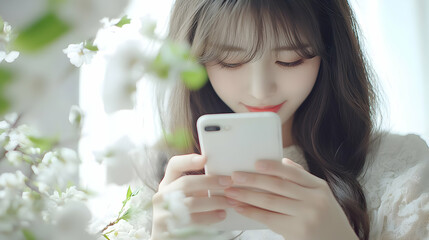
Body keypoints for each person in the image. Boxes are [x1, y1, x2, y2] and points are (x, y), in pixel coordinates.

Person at [148, 0, 429, 239]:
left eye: (290, 59)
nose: (260, 91)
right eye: (230, 61)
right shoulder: (149, 181)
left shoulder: (403, 170)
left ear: (330, 53)